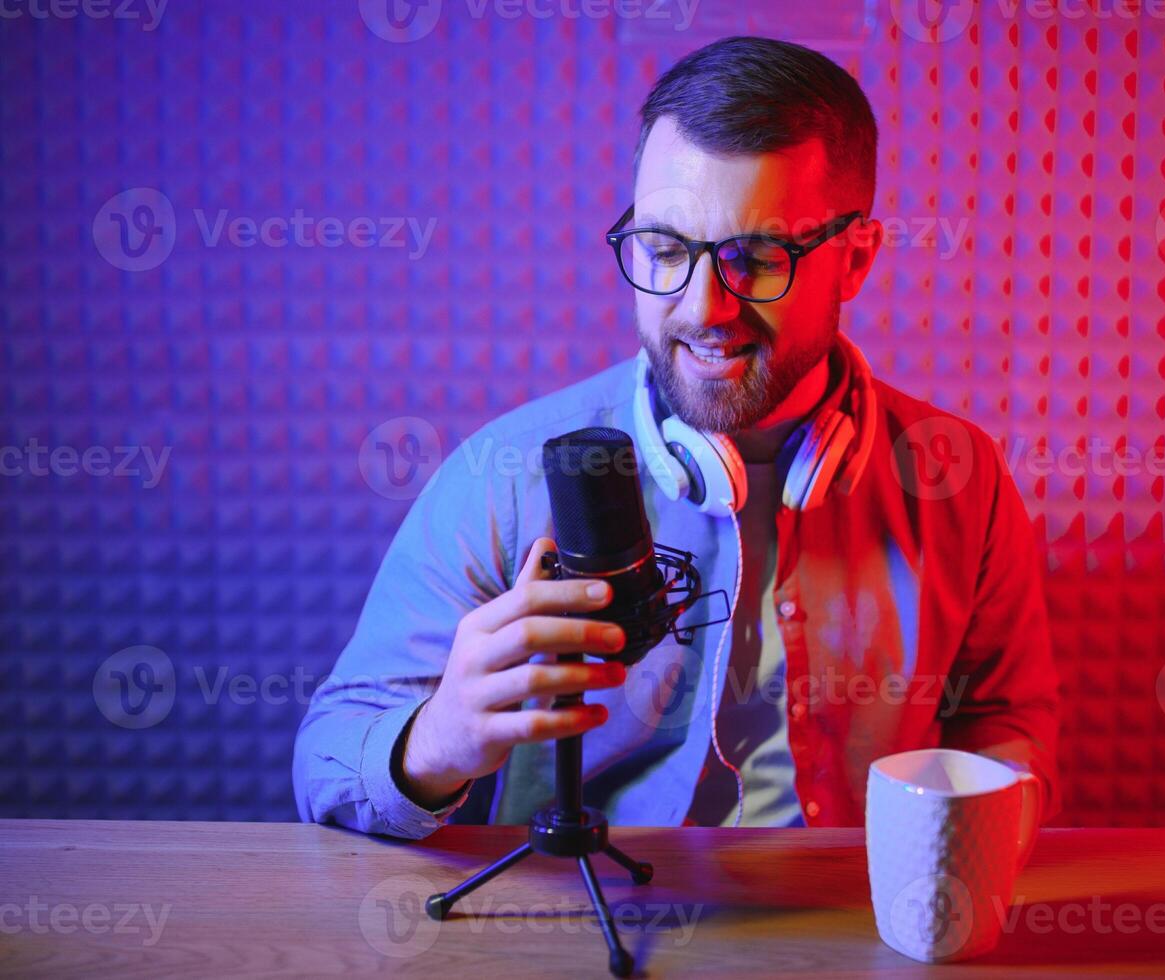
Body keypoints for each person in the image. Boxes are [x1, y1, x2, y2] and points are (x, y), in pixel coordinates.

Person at [293, 35, 1059, 839]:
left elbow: (1005, 726)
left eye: (756, 258)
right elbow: (326, 767)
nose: (700, 309)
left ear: (856, 261)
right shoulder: (503, 474)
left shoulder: (959, 480)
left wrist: (969, 841)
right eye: (662, 250)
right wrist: (439, 738)